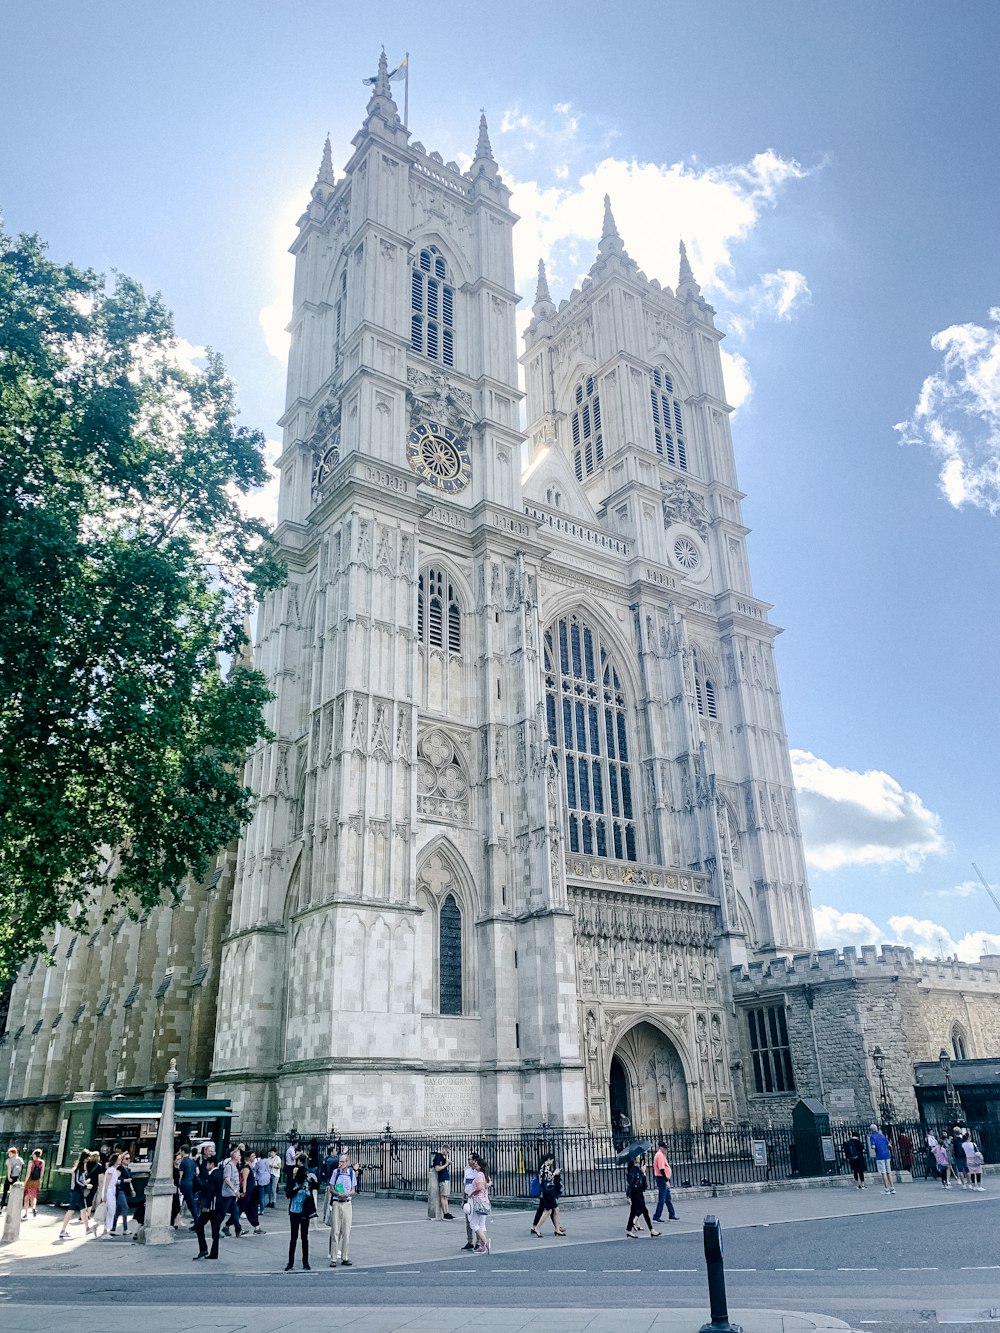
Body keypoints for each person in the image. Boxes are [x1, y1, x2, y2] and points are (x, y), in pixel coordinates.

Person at [193, 1150, 225, 1260]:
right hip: (218, 1205)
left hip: (211, 1206)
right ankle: (213, 1252)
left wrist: (206, 1205)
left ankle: (203, 1248)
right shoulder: (220, 1173)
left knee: (199, 1226)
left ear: (211, 1164)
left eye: (208, 1163)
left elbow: (210, 1191)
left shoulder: (212, 1176)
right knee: (215, 1229)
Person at [285, 1162, 317, 1271]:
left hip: (304, 1212)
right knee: (293, 1237)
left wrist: (311, 1180)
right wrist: (297, 1189)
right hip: (294, 1211)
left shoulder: (308, 1183)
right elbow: (288, 1194)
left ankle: (305, 1262)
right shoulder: (293, 1182)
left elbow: (316, 1186)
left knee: (305, 1237)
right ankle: (290, 1262)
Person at [328, 1150, 357, 1267]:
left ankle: (345, 1256)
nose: (340, 1164)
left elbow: (354, 1190)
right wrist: (337, 1193)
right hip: (337, 1202)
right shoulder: (336, 1172)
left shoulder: (351, 1173)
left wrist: (347, 1194)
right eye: (339, 1162)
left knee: (346, 1231)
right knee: (335, 1231)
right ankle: (334, 1258)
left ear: (347, 1162)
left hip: (347, 1203)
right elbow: (331, 1187)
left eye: (342, 1162)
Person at [529, 1152, 565, 1236]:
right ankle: (537, 1227)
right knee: (549, 1211)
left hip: (547, 1191)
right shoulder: (544, 1167)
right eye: (552, 1160)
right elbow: (546, 1179)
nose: (552, 1162)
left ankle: (557, 1228)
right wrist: (554, 1173)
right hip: (547, 1191)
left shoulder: (545, 1167)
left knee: (553, 1209)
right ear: (548, 1159)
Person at [59, 1150, 93, 1239]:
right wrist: (86, 1185)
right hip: (76, 1191)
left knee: (83, 1210)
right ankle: (63, 1230)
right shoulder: (80, 1168)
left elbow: (78, 1180)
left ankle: (87, 1228)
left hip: (77, 1191)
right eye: (88, 1157)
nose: (89, 1159)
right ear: (85, 1158)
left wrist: (85, 1183)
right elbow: (78, 1181)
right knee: (72, 1210)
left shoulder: (79, 1167)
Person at [625, 1152, 660, 1237]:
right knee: (645, 1211)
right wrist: (628, 1196)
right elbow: (630, 1184)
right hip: (635, 1193)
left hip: (639, 1192)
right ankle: (651, 1230)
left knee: (633, 1212)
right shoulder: (632, 1170)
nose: (639, 1158)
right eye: (637, 1156)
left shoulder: (637, 1169)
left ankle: (629, 1229)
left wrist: (643, 1173)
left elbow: (644, 1185)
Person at [465, 1153, 491, 1254]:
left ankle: (486, 1243)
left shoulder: (479, 1174)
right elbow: (487, 1185)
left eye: (477, 1164)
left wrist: (472, 1193)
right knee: (482, 1224)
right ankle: (482, 1247)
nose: (475, 1165)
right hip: (484, 1201)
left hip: (478, 1201)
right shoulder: (485, 1175)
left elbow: (480, 1188)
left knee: (473, 1224)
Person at [651, 1140, 678, 1222]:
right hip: (662, 1179)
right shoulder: (659, 1155)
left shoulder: (661, 1155)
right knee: (662, 1199)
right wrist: (666, 1180)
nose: (666, 1150)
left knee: (667, 1198)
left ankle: (672, 1215)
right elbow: (662, 1169)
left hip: (662, 1178)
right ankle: (656, 1216)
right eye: (665, 1148)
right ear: (661, 1148)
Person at [221, 1147, 244, 1236]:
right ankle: (217, 1228)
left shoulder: (234, 1166)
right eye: (239, 1155)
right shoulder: (229, 1166)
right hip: (228, 1194)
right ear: (235, 1157)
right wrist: (235, 1190)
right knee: (223, 1212)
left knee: (235, 1212)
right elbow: (227, 1179)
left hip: (232, 1194)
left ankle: (238, 1229)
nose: (240, 1156)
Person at [109, 1151, 134, 1234]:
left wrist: (132, 1190)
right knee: (125, 1208)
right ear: (122, 1160)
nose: (128, 1160)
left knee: (118, 1210)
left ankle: (113, 1228)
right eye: (126, 1158)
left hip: (125, 1191)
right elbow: (115, 1180)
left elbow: (130, 1181)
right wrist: (125, 1181)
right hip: (120, 1191)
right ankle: (125, 1228)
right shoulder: (120, 1169)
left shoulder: (128, 1169)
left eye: (129, 1158)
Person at [428, 1143, 454, 1220]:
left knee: (446, 1196)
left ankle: (447, 1212)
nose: (447, 1153)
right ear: (444, 1149)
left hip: (445, 1177)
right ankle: (445, 1213)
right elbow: (437, 1168)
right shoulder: (438, 1157)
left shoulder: (442, 1157)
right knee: (443, 1196)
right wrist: (447, 1164)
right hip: (442, 1178)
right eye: (447, 1151)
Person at [241, 1150, 265, 1234]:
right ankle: (228, 1225)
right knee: (242, 1208)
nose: (254, 1157)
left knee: (253, 1208)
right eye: (252, 1156)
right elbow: (244, 1180)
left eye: (254, 1156)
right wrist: (244, 1190)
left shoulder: (252, 1166)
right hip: (248, 1191)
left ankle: (257, 1227)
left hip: (253, 1191)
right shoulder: (246, 1168)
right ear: (248, 1158)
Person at [868, 1124, 894, 1195]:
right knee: (889, 1172)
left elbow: (873, 1146)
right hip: (887, 1155)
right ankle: (892, 1188)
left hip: (880, 1156)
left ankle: (886, 1189)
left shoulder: (872, 1137)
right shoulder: (882, 1135)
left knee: (883, 1173)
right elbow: (889, 1145)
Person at [460, 1152, 478, 1251]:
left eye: (470, 1159)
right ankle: (470, 1241)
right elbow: (464, 1185)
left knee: (476, 1220)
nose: (468, 1161)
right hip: (468, 1197)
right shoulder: (467, 1171)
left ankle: (478, 1242)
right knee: (468, 1221)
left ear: (475, 1160)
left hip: (475, 1198)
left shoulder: (479, 1172)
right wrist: (463, 1199)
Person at [177, 1145, 200, 1224]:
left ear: (183, 1151)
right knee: (191, 1204)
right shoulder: (192, 1161)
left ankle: (176, 1220)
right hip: (190, 1184)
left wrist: (178, 1185)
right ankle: (197, 1221)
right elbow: (197, 1172)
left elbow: (180, 1175)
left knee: (179, 1203)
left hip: (183, 1184)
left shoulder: (183, 1162)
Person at [21, 1148, 45, 1220]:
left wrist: (25, 1182)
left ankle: (25, 1213)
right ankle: (34, 1207)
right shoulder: (42, 1162)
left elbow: (28, 1173)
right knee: (34, 1196)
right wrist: (40, 1180)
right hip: (37, 1181)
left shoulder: (31, 1162)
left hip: (30, 1181)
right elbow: (42, 1172)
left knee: (26, 1198)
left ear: (34, 1154)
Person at [100, 1152, 120, 1237]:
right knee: (109, 1211)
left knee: (110, 1211)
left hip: (111, 1192)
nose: (120, 1160)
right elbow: (107, 1183)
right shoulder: (111, 1170)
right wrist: (104, 1195)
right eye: (119, 1159)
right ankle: (105, 1231)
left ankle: (105, 1229)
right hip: (109, 1192)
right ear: (115, 1160)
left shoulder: (113, 1170)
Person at [0, 1146, 24, 1213]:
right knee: (16, 1193)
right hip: (16, 1178)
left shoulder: (9, 1160)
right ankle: (15, 1208)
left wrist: (8, 1177)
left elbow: (9, 1169)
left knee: (5, 1193)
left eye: (9, 1153)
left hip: (9, 1177)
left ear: (13, 1153)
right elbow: (20, 1169)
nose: (8, 1154)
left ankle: (1, 1208)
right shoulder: (20, 1159)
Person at [253, 1149, 272, 1219]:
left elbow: (255, 1169)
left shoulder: (259, 1162)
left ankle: (261, 1209)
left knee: (261, 1195)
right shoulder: (267, 1161)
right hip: (267, 1178)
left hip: (261, 1178)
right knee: (265, 1194)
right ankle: (263, 1207)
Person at [321, 1144, 337, 1223]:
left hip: (329, 1182)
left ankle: (325, 1215)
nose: (336, 1152)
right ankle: (327, 1216)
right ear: (331, 1152)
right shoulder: (331, 1160)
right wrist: (344, 1153)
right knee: (329, 1200)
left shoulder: (327, 1159)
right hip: (330, 1182)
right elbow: (339, 1160)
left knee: (327, 1200)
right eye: (335, 1151)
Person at [950, 1126, 970, 1190]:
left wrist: (952, 1153)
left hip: (957, 1156)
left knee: (960, 1170)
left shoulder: (953, 1140)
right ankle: (969, 1183)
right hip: (964, 1155)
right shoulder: (963, 1139)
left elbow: (952, 1148)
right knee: (967, 1170)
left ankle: (963, 1184)